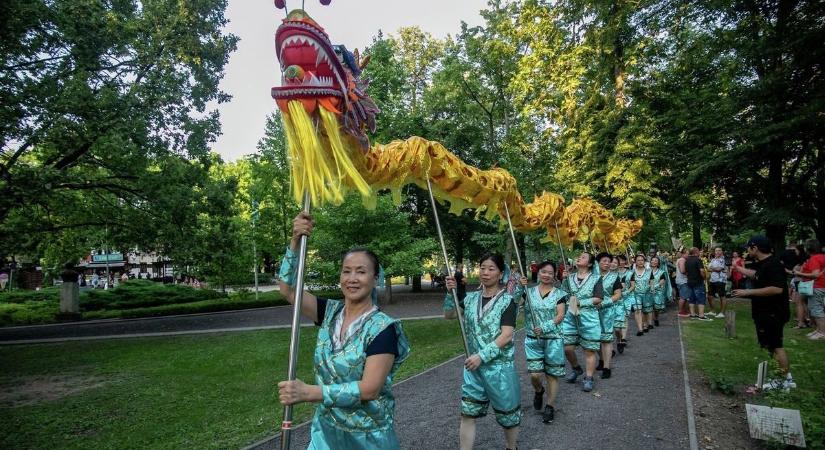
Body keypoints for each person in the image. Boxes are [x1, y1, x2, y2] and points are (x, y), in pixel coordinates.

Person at [276, 212, 410, 449]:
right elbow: (288, 290)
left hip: (367, 438)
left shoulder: (382, 329)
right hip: (326, 432)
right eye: (346, 271)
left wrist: (309, 393)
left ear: (375, 278)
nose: (352, 278)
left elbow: (370, 389)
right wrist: (295, 240)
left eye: (361, 271)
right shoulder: (329, 312)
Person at [444, 253, 520, 450]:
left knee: (508, 416)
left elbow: (506, 335)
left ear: (500, 273)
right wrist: (450, 293)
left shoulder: (507, 302)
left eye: (491, 269)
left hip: (499, 369)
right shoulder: (469, 299)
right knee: (467, 413)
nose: (485, 273)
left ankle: (511, 447)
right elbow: (449, 315)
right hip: (473, 369)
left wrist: (482, 356)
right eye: (482, 268)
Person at [731, 235, 795, 391]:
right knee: (770, 345)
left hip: (773, 312)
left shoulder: (773, 265)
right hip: (764, 312)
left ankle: (785, 380)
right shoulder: (764, 264)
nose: (747, 250)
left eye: (749, 247)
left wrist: (748, 292)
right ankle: (782, 377)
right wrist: (739, 269)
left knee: (776, 345)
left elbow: (776, 288)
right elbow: (757, 275)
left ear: (755, 248)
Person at [517, 261, 566, 424]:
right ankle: (539, 390)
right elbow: (514, 304)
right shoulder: (528, 292)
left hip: (553, 339)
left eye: (550, 273)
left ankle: (550, 406)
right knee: (535, 375)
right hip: (532, 340)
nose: (546, 275)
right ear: (538, 273)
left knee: (552, 374)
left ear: (555, 275)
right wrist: (519, 287)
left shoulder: (560, 294)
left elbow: (560, 315)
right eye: (544, 272)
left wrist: (545, 327)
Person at [560, 251, 603, 392]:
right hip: (570, 317)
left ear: (590, 263)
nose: (579, 258)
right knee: (567, 347)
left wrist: (580, 302)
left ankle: (589, 377)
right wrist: (563, 280)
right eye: (579, 256)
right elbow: (563, 295)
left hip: (589, 317)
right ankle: (576, 368)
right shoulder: (570, 277)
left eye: (583, 257)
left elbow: (598, 298)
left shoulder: (596, 278)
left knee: (589, 349)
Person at [595, 252, 622, 378]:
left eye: (608, 261)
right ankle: (601, 359)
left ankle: (607, 367)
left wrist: (605, 303)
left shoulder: (614, 277)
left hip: (607, 312)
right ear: (598, 262)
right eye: (604, 261)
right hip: (591, 312)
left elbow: (617, 294)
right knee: (595, 339)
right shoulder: (591, 276)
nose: (606, 263)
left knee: (606, 339)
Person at [794, 239, 825, 340]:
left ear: (808, 249)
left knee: (817, 310)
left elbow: (815, 274)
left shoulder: (814, 259)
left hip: (817, 286)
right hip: (822, 286)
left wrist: (799, 273)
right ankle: (818, 330)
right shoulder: (823, 257)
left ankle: (822, 332)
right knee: (818, 308)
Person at [684, 248, 712, 321]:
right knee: (701, 299)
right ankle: (701, 315)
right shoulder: (698, 260)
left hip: (690, 282)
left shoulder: (687, 260)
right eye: (699, 251)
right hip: (698, 282)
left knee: (691, 299)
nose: (700, 252)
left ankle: (692, 314)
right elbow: (702, 270)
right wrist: (705, 277)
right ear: (696, 252)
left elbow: (685, 272)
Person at [614, 254, 633, 352]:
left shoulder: (630, 273)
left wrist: (627, 292)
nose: (620, 263)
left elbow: (633, 285)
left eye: (622, 261)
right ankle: (619, 339)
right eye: (618, 261)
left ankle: (623, 338)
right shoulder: (612, 274)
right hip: (614, 300)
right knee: (616, 325)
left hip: (626, 298)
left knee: (625, 317)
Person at [630, 254, 652, 335]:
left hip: (647, 294)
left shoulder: (649, 271)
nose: (640, 262)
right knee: (637, 310)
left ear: (644, 261)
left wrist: (651, 288)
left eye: (642, 260)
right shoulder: (631, 272)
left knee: (645, 311)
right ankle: (640, 329)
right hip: (635, 294)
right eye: (638, 260)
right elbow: (631, 284)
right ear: (635, 262)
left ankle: (645, 324)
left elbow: (651, 281)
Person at [650, 256, 671, 326]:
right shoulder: (646, 271)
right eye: (652, 260)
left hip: (658, 292)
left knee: (657, 308)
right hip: (648, 292)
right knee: (648, 308)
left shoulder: (662, 272)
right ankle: (649, 322)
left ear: (658, 263)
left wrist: (654, 287)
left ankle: (656, 318)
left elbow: (662, 282)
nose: (654, 262)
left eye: (656, 261)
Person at [708, 247, 729, 318]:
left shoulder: (723, 259)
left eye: (719, 250)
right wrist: (714, 269)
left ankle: (722, 313)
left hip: (721, 280)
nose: (717, 252)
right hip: (712, 280)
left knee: (722, 296)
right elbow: (708, 268)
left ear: (722, 251)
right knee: (710, 296)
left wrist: (712, 269)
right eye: (716, 250)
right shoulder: (713, 259)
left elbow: (719, 269)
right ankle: (712, 311)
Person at [675, 248, 691, 317]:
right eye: (688, 254)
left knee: (684, 296)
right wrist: (690, 273)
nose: (689, 255)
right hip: (683, 281)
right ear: (684, 254)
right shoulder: (682, 260)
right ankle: (681, 311)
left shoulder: (680, 260)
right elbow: (682, 271)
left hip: (680, 280)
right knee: (683, 297)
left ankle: (683, 310)